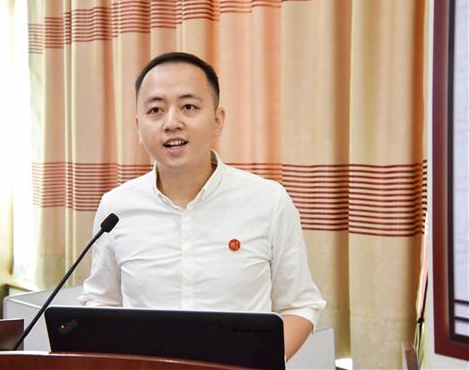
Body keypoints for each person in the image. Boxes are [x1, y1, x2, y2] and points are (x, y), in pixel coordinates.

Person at [78, 52, 326, 360]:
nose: (172, 122)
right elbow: (101, 300)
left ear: (217, 120)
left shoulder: (269, 200)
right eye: (156, 110)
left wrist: (254, 364)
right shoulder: (115, 208)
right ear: (139, 127)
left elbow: (300, 305)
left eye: (188, 107)